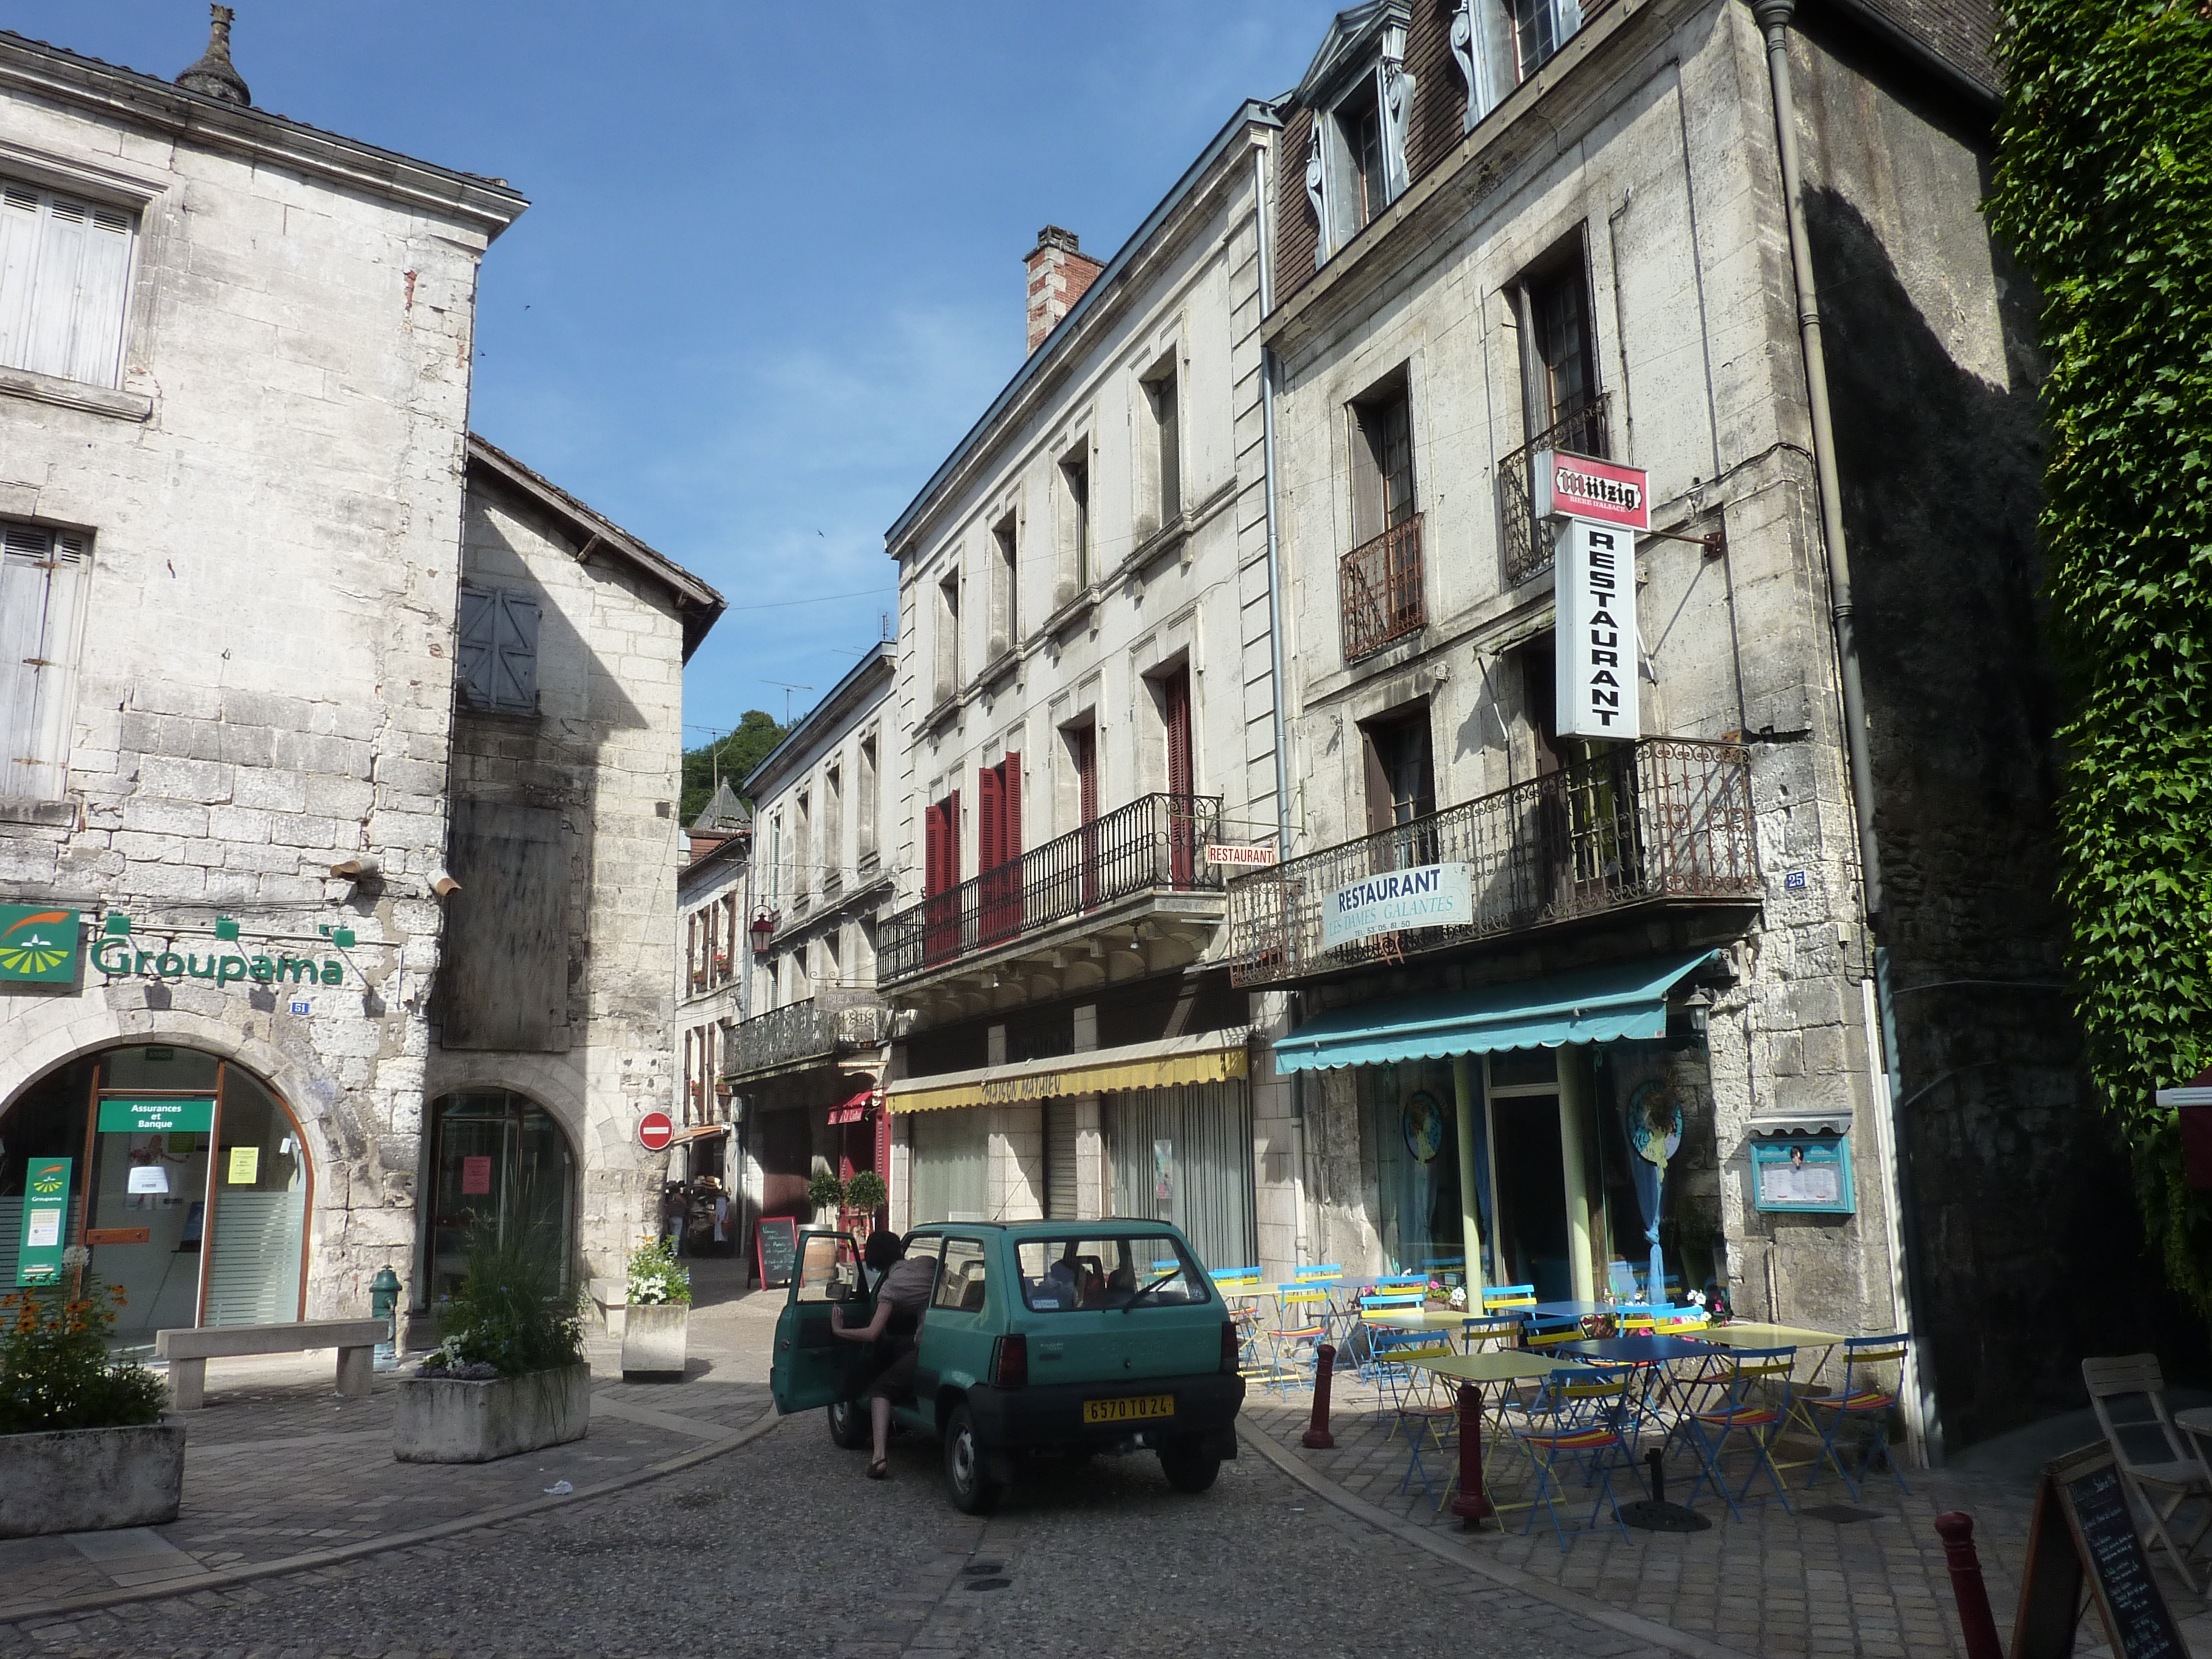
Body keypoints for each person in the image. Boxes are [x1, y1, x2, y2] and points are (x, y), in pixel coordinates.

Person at [831, 1230, 935, 1480]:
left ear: (875, 1262)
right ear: (900, 1249)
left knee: (881, 1389)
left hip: (930, 1348)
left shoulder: (889, 1289)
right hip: (949, 1340)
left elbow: (871, 1333)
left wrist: (839, 1330)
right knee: (899, 1346)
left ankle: (879, 1457)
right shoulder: (928, 1263)